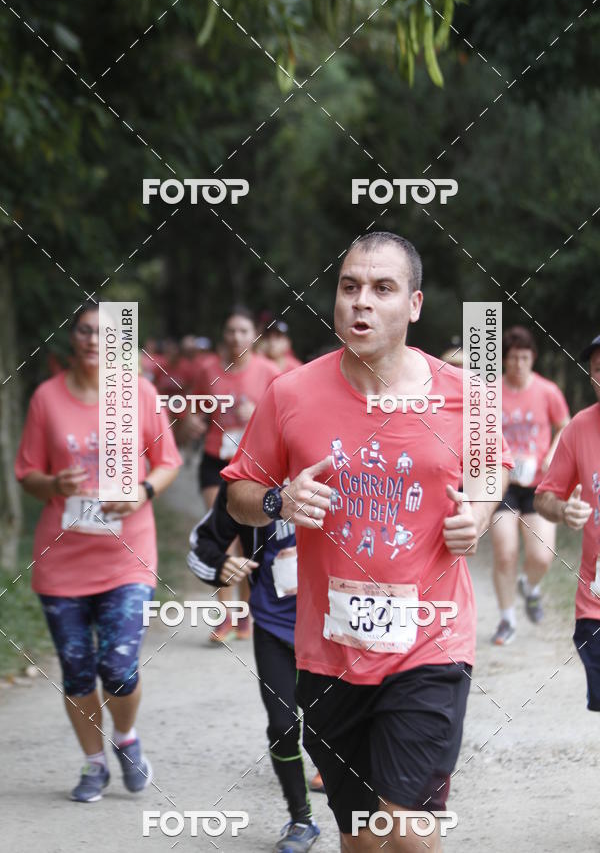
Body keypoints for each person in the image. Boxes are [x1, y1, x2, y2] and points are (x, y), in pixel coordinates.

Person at [223, 231, 513, 852]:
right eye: (349, 286)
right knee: (360, 840)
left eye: (382, 289)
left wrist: (481, 514)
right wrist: (280, 500)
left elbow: (493, 467)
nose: (361, 302)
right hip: (330, 655)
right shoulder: (290, 394)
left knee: (406, 830)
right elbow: (239, 493)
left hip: (431, 643)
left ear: (414, 305)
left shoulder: (464, 395)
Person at [14, 302, 182, 803]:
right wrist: (53, 482)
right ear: (73, 339)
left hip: (127, 556)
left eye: (103, 332)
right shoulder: (47, 398)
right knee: (77, 671)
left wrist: (143, 492)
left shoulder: (140, 393)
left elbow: (167, 461)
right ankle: (93, 764)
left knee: (120, 666)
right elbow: (27, 473)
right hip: (62, 560)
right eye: (83, 330)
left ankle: (126, 739)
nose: (92, 339)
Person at [187, 482, 321, 853]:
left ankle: (362, 816)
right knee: (282, 726)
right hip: (274, 624)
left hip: (335, 628)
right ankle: (301, 819)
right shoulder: (251, 482)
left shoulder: (347, 467)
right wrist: (219, 566)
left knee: (332, 728)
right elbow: (203, 545)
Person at [193, 306, 280, 643]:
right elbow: (196, 407)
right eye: (230, 331)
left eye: (243, 331)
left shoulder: (269, 371)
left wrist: (255, 413)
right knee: (224, 536)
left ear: (253, 337)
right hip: (216, 460)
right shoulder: (207, 369)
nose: (236, 337)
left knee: (247, 541)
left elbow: (282, 417)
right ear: (223, 335)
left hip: (253, 464)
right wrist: (195, 419)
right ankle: (224, 615)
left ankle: (245, 613)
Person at [489, 326, 570, 645]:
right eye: (513, 358)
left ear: (532, 358)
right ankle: (507, 619)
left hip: (539, 484)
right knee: (505, 551)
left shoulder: (548, 391)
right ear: (505, 361)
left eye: (525, 358)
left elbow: (564, 425)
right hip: (503, 483)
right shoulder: (491, 391)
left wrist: (552, 454)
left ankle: (530, 587)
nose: (519, 364)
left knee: (542, 555)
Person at [534, 335, 600, 712]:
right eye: (598, 371)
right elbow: (545, 497)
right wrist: (564, 511)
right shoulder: (579, 428)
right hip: (596, 608)